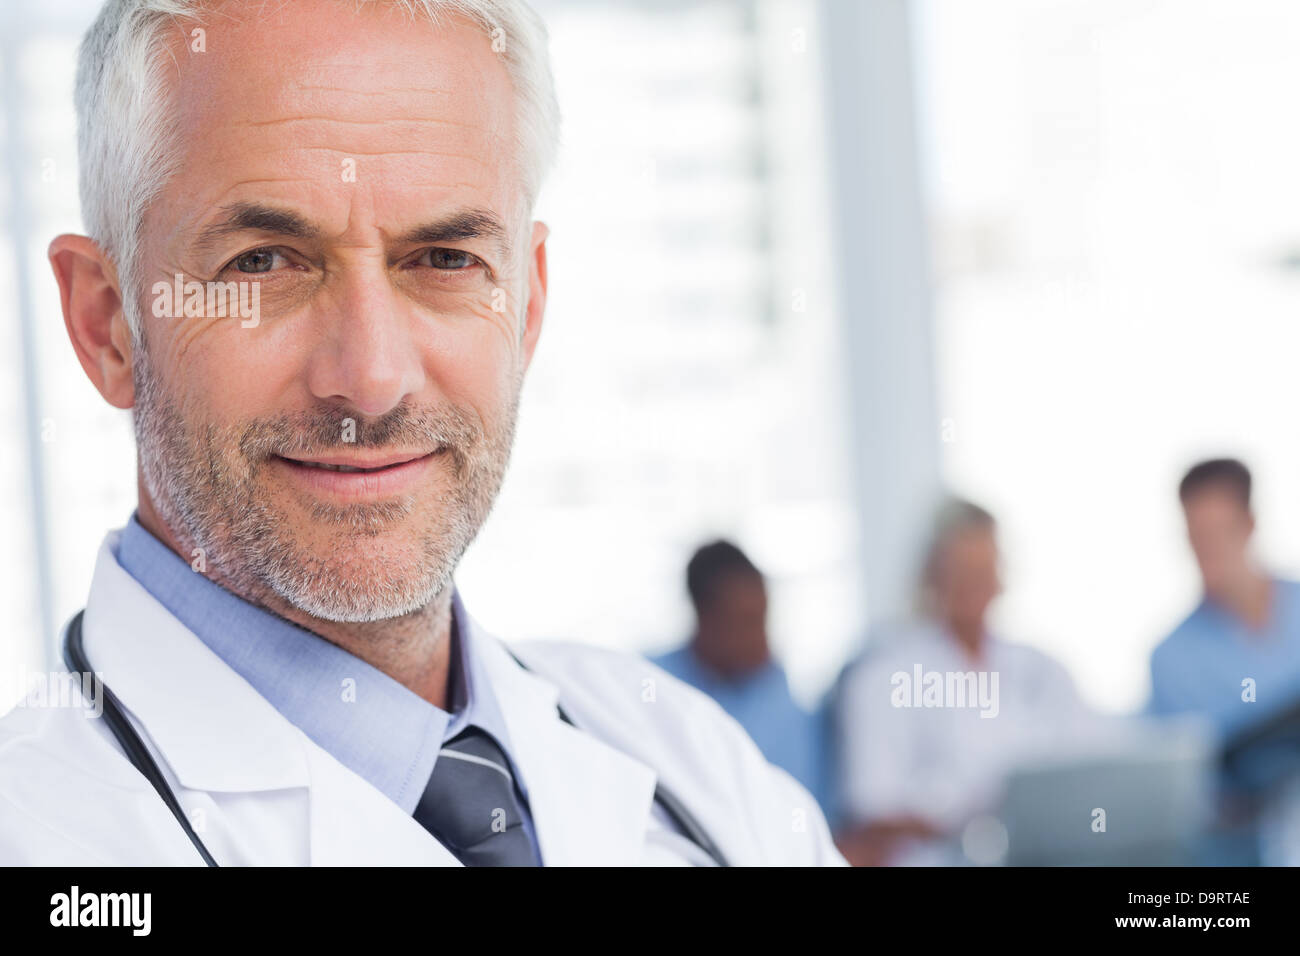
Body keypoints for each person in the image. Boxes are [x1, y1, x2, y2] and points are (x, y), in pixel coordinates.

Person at [0, 0, 843, 867]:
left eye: (444, 260)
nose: (370, 377)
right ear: (106, 325)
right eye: (262, 263)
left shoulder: (692, 766)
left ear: (527, 306)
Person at [833, 497, 1094, 865]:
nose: (973, 585)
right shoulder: (881, 678)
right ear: (932, 575)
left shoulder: (1044, 670)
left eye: (983, 570)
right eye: (960, 570)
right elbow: (872, 812)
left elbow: (1087, 771)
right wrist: (968, 818)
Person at [652, 541, 828, 810]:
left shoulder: (775, 690)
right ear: (704, 618)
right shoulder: (654, 685)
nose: (762, 640)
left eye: (762, 618)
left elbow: (798, 803)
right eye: (745, 623)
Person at [1149, 459, 1300, 740]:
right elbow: (1186, 772)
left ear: (1249, 525)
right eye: (1198, 538)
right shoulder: (1171, 660)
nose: (1209, 553)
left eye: (1219, 534)